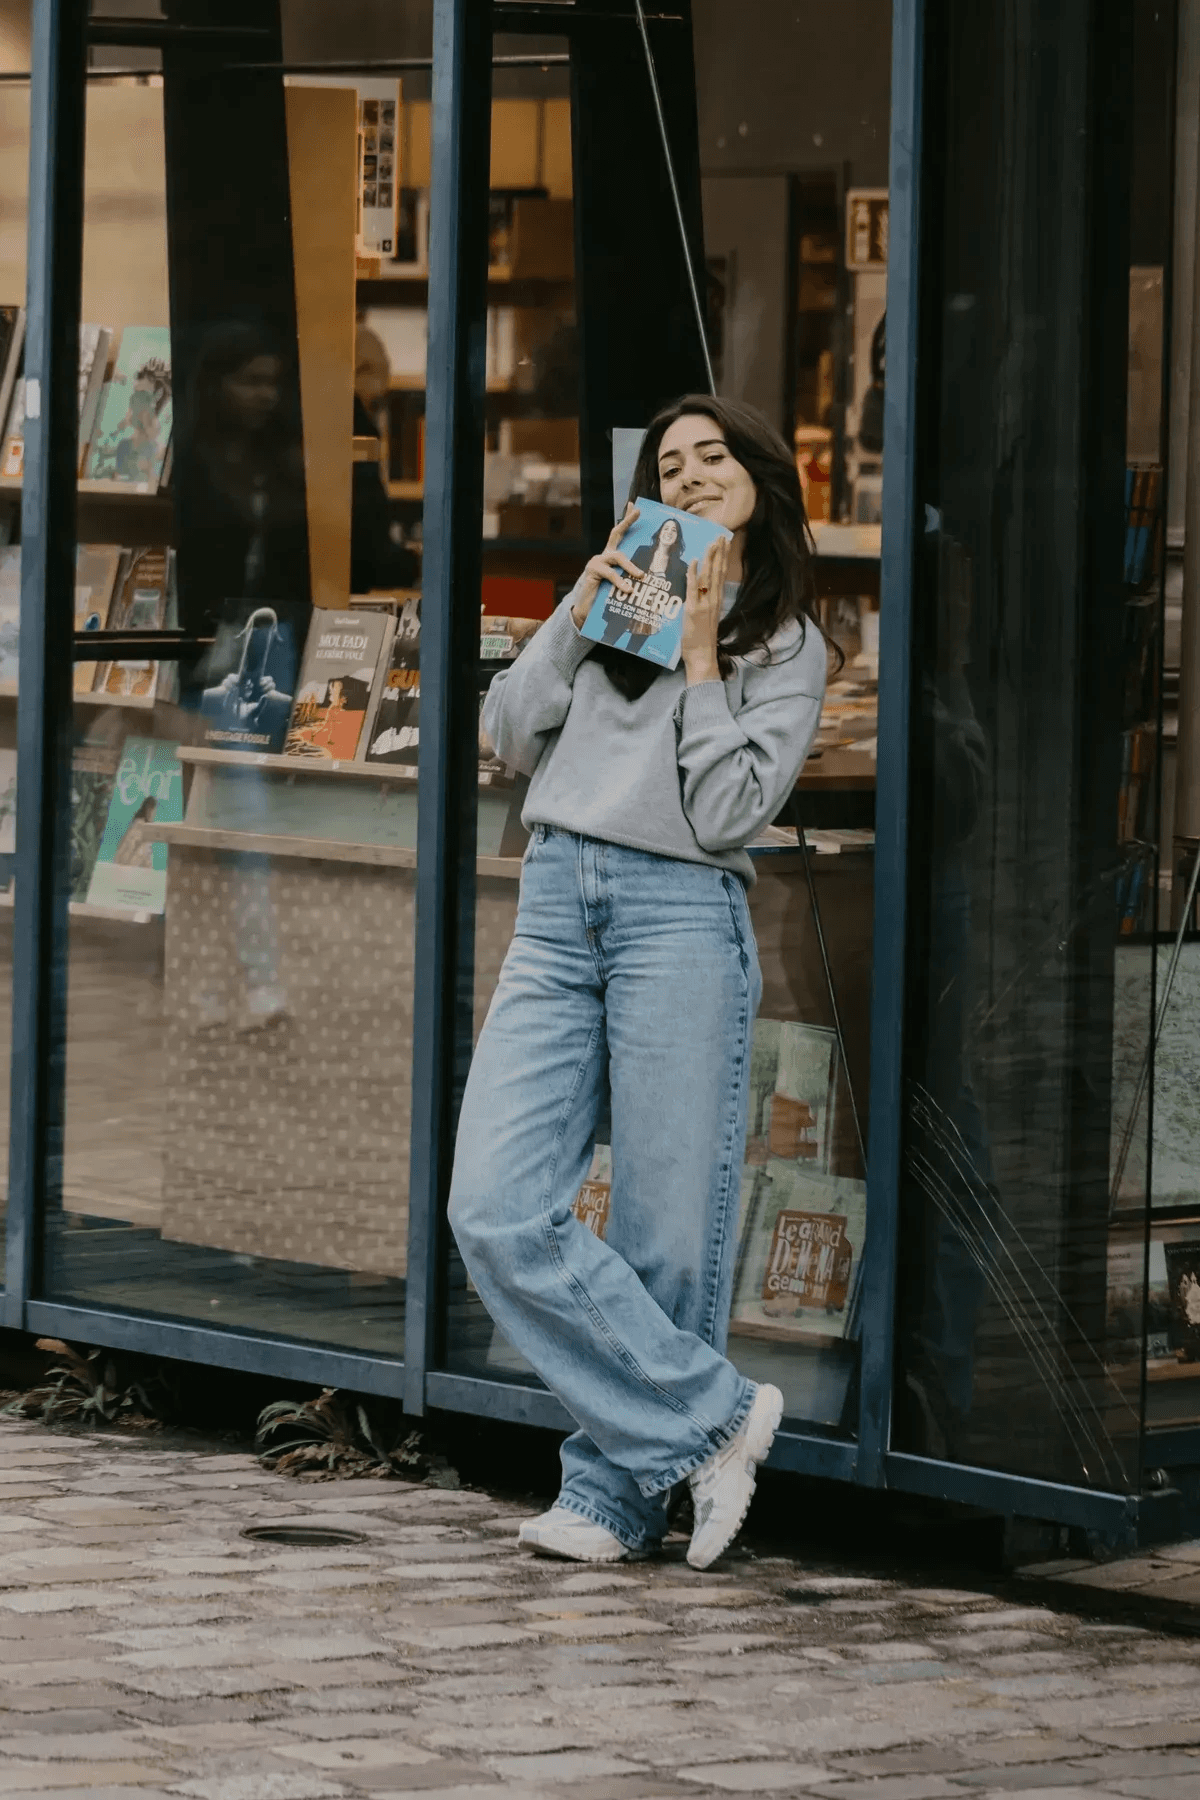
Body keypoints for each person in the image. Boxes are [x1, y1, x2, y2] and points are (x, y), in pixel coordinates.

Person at [448, 394, 828, 1569]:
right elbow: (506, 732)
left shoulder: (790, 646)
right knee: (494, 1205)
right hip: (559, 900)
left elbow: (727, 811)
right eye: (672, 463)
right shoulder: (618, 605)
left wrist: (707, 659)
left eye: (716, 456)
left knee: (667, 1233)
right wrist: (578, 605)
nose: (694, 473)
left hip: (678, 912)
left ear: (762, 478)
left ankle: (614, 1503)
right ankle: (715, 1421)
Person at [596, 514, 689, 648]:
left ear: (677, 537)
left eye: (674, 530)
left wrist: (691, 584)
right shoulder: (642, 551)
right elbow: (624, 578)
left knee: (634, 652)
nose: (669, 532)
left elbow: (679, 597)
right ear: (659, 533)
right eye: (666, 528)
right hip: (628, 605)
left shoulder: (680, 566)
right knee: (606, 642)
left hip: (650, 613)